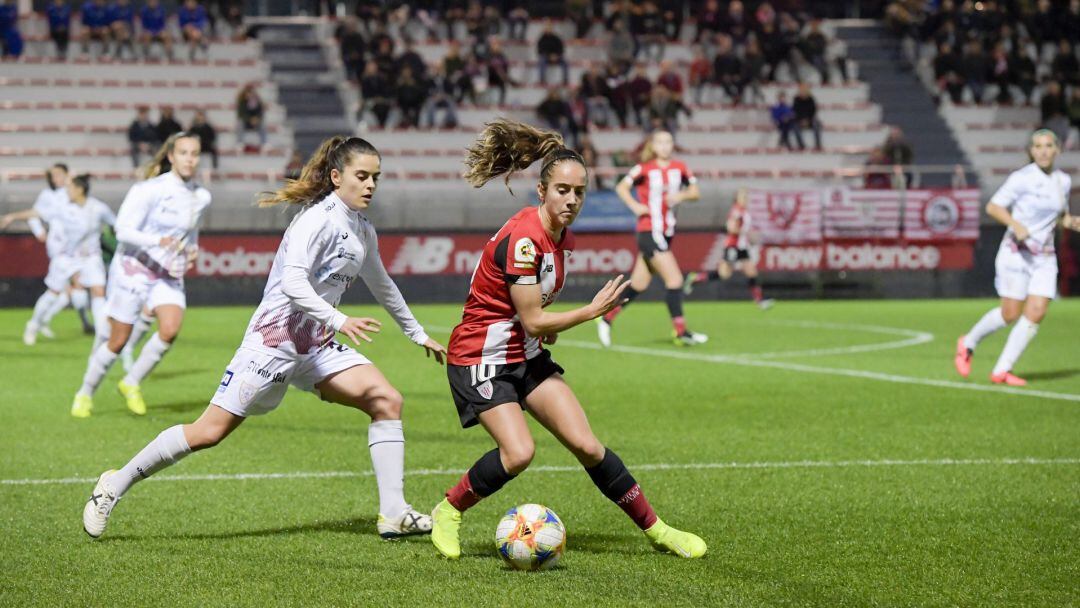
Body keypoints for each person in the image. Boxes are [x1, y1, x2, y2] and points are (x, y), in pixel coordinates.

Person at [82, 136, 447, 542]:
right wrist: (338, 318)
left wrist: (417, 334)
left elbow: (382, 283)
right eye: (362, 176)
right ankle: (113, 485)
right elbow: (292, 282)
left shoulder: (361, 228)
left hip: (315, 345)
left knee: (386, 399)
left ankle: (394, 513)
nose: (370, 185)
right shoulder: (316, 220)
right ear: (336, 176)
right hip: (272, 342)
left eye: (375, 177)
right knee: (208, 432)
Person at [429, 118, 706, 560]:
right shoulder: (525, 239)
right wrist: (590, 313)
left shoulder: (563, 238)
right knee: (519, 453)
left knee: (587, 445)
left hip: (526, 353)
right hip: (481, 355)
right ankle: (448, 510)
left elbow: (533, 324)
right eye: (562, 190)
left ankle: (659, 531)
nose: (571, 199)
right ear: (541, 191)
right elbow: (535, 319)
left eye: (578, 191)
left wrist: (549, 330)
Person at [71, 132, 211, 418]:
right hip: (132, 268)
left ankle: (131, 382)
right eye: (183, 153)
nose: (189, 159)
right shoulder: (149, 189)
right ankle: (84, 393)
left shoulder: (201, 196)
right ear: (171, 156)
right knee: (118, 340)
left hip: (166, 272)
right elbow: (122, 230)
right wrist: (157, 242)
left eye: (194, 153)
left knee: (170, 329)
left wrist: (192, 250)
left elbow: (190, 231)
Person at [955, 130, 1079, 385]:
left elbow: (1060, 215)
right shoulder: (1021, 179)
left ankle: (1002, 370)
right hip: (1016, 253)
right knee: (1010, 313)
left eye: (1048, 146)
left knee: (1036, 312)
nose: (1043, 151)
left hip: (1044, 256)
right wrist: (1015, 224)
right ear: (1031, 151)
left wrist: (1071, 221)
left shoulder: (1062, 181)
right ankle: (968, 342)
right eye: (1037, 146)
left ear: (1057, 150)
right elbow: (993, 207)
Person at [596, 130, 707, 347]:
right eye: (661, 142)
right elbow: (621, 187)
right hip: (649, 233)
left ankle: (607, 317)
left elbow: (696, 192)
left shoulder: (680, 168)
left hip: (666, 233)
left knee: (638, 284)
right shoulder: (644, 169)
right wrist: (636, 206)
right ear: (654, 146)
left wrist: (681, 195)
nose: (665, 146)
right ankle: (681, 332)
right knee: (675, 280)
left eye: (669, 141)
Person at [0, 164, 94, 342]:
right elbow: (36, 213)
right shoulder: (52, 197)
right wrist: (37, 230)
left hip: (78, 250)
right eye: (53, 176)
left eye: (60, 175)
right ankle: (34, 324)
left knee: (77, 287)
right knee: (56, 291)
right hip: (61, 250)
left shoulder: (76, 196)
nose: (56, 179)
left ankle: (83, 323)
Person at [684, 188, 774, 310]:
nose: (746, 199)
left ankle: (759, 301)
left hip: (742, 247)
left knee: (751, 271)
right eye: (743, 197)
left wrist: (747, 235)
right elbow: (731, 228)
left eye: (746, 197)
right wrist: (746, 233)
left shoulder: (743, 211)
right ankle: (695, 278)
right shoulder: (736, 211)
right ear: (737, 198)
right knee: (724, 274)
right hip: (733, 246)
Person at [792, 82, 823, 151]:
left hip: (810, 119)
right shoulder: (796, 99)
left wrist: (808, 120)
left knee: (817, 125)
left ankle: (818, 145)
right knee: (795, 127)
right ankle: (801, 146)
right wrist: (801, 120)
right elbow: (795, 111)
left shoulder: (811, 99)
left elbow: (813, 111)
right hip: (799, 119)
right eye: (802, 89)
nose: (803, 90)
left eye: (805, 89)